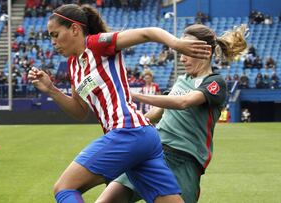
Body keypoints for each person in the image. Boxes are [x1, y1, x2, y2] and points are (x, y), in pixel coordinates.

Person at [28, 4, 211, 203]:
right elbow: (80, 111)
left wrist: (176, 44)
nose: (52, 42)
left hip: (127, 132)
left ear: (74, 29)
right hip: (143, 137)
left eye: (55, 34)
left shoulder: (97, 44)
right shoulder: (74, 66)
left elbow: (147, 33)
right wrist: (51, 90)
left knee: (64, 188)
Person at [97, 24, 248, 203]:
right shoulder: (181, 80)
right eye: (180, 52)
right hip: (152, 152)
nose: (182, 59)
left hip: (184, 161)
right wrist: (127, 125)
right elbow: (157, 113)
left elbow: (182, 102)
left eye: (187, 52)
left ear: (206, 52)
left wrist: (134, 94)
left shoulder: (215, 83)